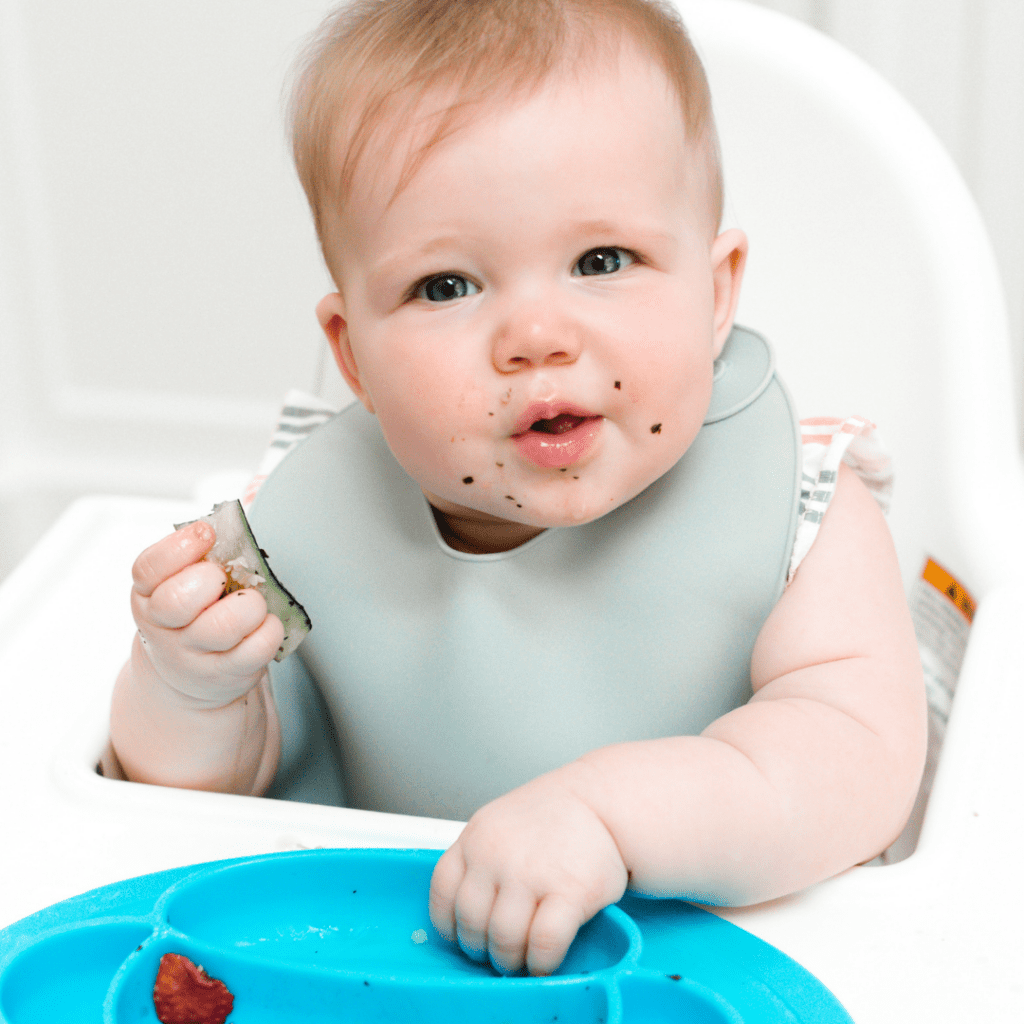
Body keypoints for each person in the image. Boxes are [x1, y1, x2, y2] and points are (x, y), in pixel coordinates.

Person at [107, 0, 926, 979]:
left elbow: (855, 758)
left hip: (704, 969)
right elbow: (196, 799)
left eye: (600, 260)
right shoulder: (304, 517)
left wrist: (611, 815)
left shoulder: (800, 506)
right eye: (447, 285)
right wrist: (191, 688)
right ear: (352, 353)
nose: (534, 335)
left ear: (715, 294)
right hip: (371, 959)